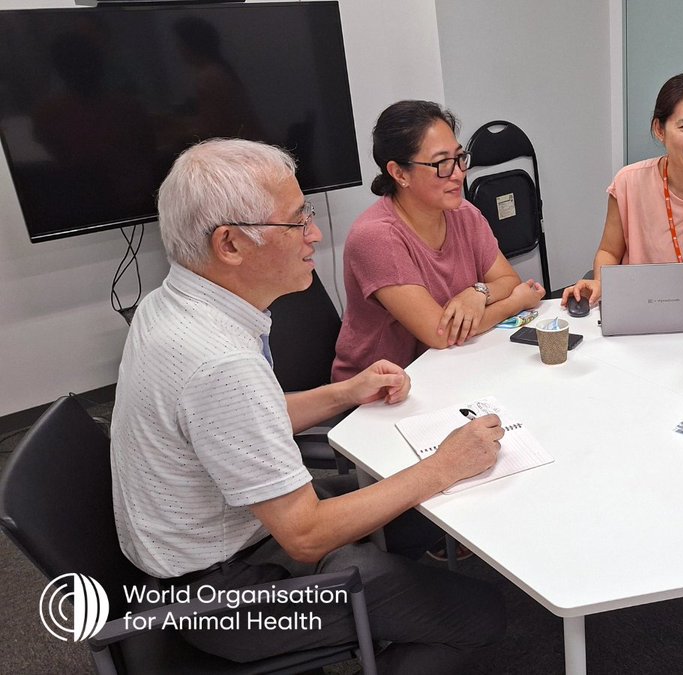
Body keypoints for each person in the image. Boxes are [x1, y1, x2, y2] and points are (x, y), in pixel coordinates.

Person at [110, 138, 506, 673]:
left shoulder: (171, 304)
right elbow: (305, 535)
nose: (315, 236)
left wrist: (342, 392)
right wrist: (446, 464)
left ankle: (397, 595)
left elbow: (235, 425)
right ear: (229, 244)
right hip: (230, 599)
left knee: (408, 510)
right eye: (297, 222)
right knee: (482, 615)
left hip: (217, 546)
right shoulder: (219, 361)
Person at [332, 100, 544, 379]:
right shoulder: (376, 236)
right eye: (442, 163)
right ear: (399, 173)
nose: (458, 174)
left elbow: (508, 280)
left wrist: (477, 293)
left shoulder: (464, 213)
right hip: (380, 391)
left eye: (459, 158)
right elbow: (441, 334)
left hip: (448, 367)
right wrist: (516, 302)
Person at [560, 72, 683, 329]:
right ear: (660, 129)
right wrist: (601, 283)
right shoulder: (628, 182)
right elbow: (609, 251)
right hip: (638, 317)